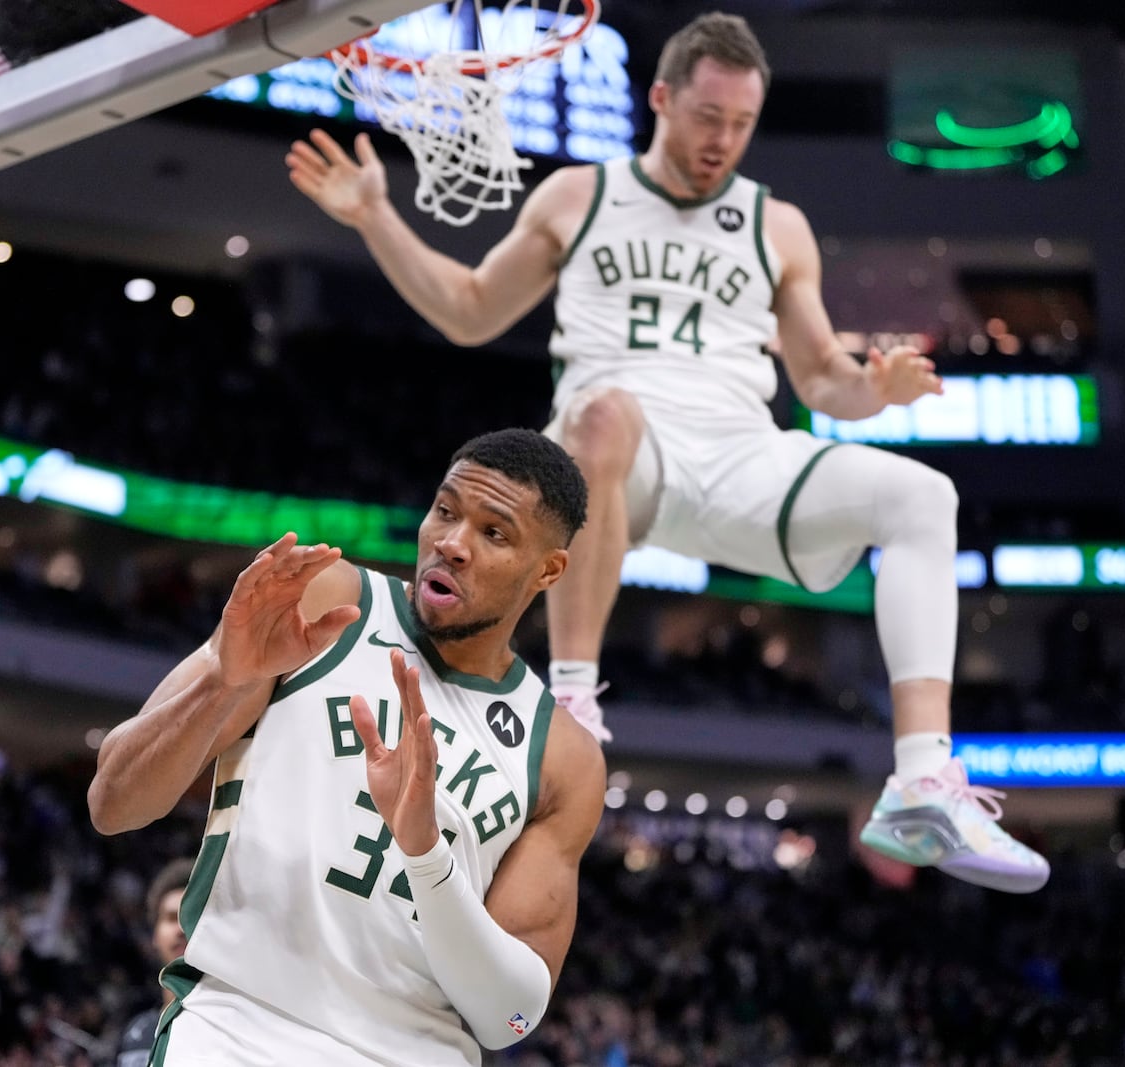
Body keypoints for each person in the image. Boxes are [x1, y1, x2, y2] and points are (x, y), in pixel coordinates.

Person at [284, 11, 1047, 893]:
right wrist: (377, 215)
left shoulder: (778, 224)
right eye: (708, 117)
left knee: (923, 496)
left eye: (741, 124)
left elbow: (824, 377)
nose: (724, 139)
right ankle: (573, 698)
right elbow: (468, 310)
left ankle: (922, 779)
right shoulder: (582, 196)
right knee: (607, 414)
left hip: (738, 453)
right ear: (661, 98)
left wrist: (875, 390)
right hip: (614, 460)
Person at [87, 429, 606, 1064]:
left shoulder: (563, 756)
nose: (452, 544)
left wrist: (425, 853)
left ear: (549, 569)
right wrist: (227, 683)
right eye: (445, 511)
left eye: (493, 534)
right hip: (236, 1028)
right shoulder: (327, 599)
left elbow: (509, 1017)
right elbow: (113, 802)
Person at [113, 858, 193, 1067]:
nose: (181, 929)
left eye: (190, 917)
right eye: (170, 918)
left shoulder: (235, 1025)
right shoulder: (137, 1035)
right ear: (154, 936)